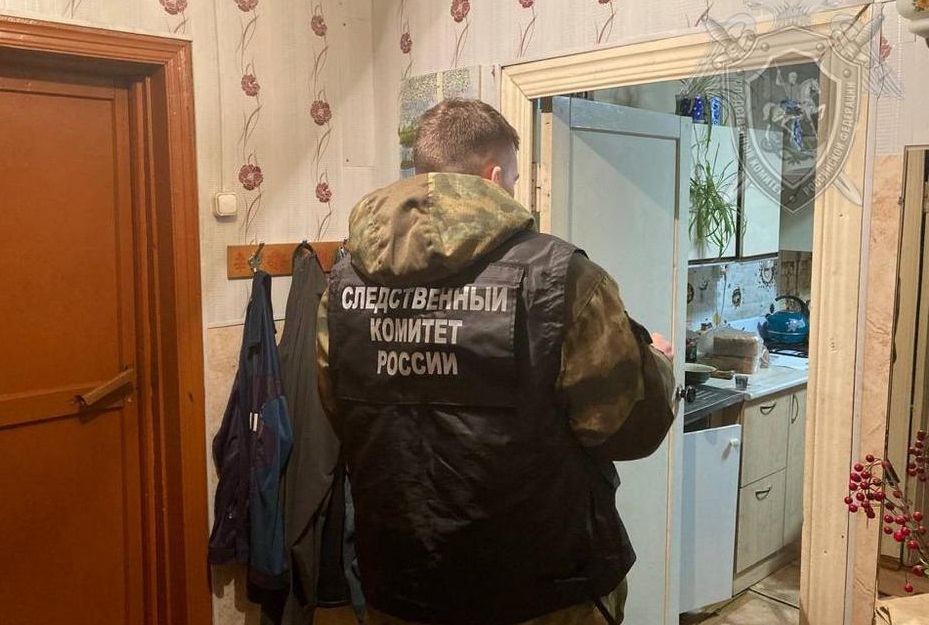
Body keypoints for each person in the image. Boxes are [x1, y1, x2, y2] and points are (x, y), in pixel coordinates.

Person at [316, 97, 676, 625]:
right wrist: (656, 364)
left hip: (400, 585)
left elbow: (342, 412)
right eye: (513, 179)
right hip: (545, 593)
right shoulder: (562, 277)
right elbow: (628, 430)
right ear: (494, 176)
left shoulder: (343, 286)